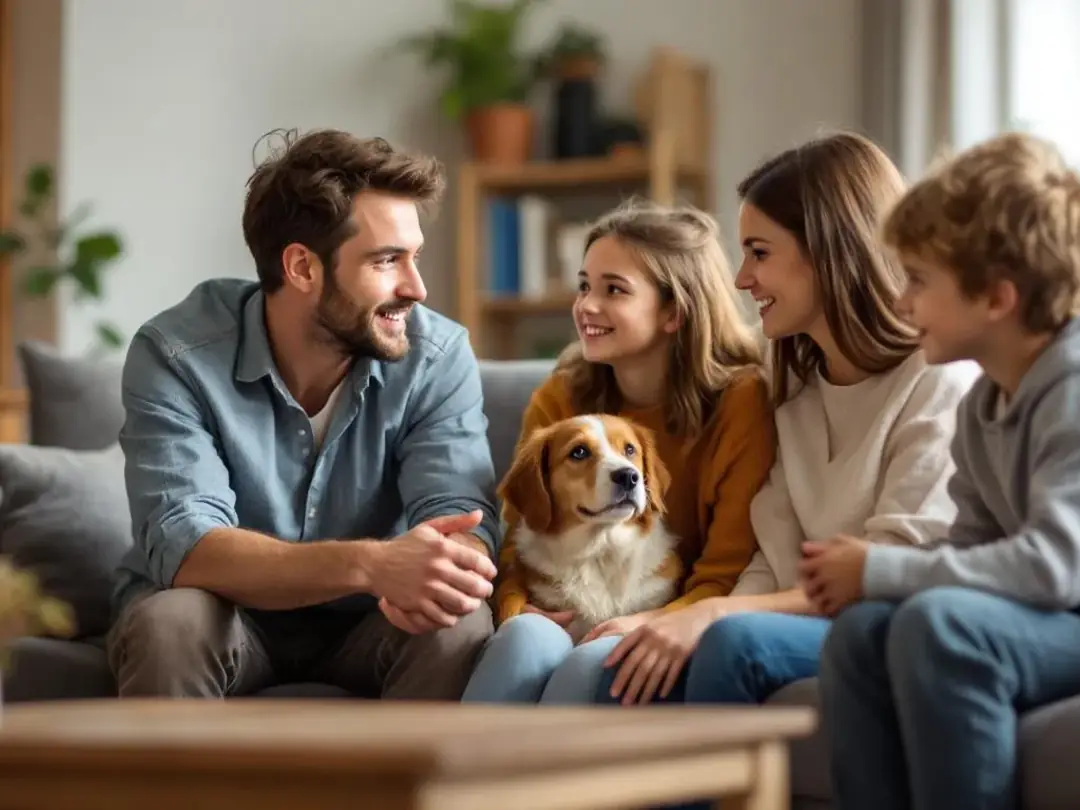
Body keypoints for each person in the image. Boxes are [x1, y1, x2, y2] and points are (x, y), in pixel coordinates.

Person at [106, 129, 500, 700]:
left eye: (413, 257)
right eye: (387, 260)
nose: (416, 288)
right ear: (302, 268)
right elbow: (189, 546)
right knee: (173, 623)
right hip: (224, 614)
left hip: (374, 619)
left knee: (457, 621)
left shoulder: (437, 356)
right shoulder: (177, 354)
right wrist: (372, 564)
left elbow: (461, 521)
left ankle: (410, 768)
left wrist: (449, 567)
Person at [593, 131, 980, 711]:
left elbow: (889, 571)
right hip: (803, 613)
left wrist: (714, 615)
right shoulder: (785, 377)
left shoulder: (938, 379)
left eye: (760, 252)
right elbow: (771, 557)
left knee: (733, 644)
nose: (741, 278)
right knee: (624, 663)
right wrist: (674, 621)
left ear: (829, 251)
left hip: (891, 618)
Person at [807, 132, 1080, 810]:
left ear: (997, 297)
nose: (902, 303)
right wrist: (870, 578)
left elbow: (1055, 567)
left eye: (919, 281)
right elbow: (973, 549)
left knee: (942, 627)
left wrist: (882, 569)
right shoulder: (985, 403)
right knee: (860, 636)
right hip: (1051, 617)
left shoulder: (1072, 390)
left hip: (1067, 605)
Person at [460, 199, 774, 704]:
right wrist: (515, 609)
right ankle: (454, 759)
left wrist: (656, 622)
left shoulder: (741, 402)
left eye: (614, 290)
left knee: (591, 662)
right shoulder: (561, 398)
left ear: (674, 311)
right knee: (523, 641)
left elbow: (726, 573)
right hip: (561, 597)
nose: (586, 306)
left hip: (671, 614)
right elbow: (520, 535)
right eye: (584, 286)